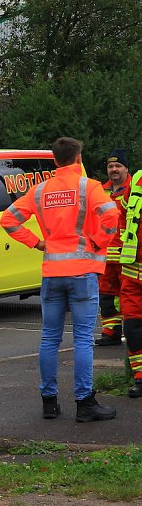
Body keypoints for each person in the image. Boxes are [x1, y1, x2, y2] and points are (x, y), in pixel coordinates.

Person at [0, 137, 119, 422]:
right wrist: (97, 242)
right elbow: (111, 215)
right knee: (82, 340)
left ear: (55, 161)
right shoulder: (88, 187)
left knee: (50, 338)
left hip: (52, 274)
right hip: (82, 273)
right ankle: (84, 403)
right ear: (78, 158)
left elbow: (9, 219)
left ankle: (49, 402)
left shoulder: (40, 190)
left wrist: (37, 243)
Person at [95, 149, 130, 346]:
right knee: (107, 295)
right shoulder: (101, 190)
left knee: (128, 296)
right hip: (106, 256)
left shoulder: (134, 189)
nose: (114, 169)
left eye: (118, 166)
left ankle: (133, 331)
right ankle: (111, 332)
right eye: (110, 166)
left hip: (129, 256)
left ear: (126, 168)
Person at [118, 155, 142, 398]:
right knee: (133, 328)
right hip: (132, 272)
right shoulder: (137, 180)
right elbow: (123, 219)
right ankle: (140, 378)